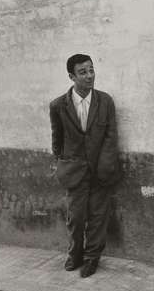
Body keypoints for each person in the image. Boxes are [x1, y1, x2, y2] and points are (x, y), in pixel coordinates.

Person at [49, 54, 120, 278]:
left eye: (91, 70)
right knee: (76, 217)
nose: (89, 76)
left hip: (102, 171)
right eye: (83, 72)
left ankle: (91, 258)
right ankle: (75, 254)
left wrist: (104, 166)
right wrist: (62, 163)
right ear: (72, 76)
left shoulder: (105, 101)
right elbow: (57, 139)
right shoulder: (58, 105)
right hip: (74, 172)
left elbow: (111, 136)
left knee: (98, 217)